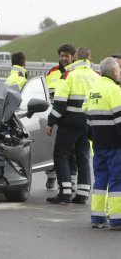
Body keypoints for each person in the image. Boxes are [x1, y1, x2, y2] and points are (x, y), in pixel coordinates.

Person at [46, 47, 100, 204]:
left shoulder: (68, 75)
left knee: (61, 154)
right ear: (90, 58)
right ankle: (82, 194)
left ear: (75, 57)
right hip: (89, 121)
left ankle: (64, 192)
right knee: (83, 156)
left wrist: (51, 122)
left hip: (69, 122)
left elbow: (60, 104)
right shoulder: (96, 76)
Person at [84, 57, 121, 229]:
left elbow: (89, 119)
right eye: (119, 70)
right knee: (117, 181)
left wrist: (93, 138)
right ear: (114, 71)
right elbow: (119, 120)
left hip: (98, 143)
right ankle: (117, 219)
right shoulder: (115, 90)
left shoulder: (93, 90)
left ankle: (97, 218)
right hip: (115, 144)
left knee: (100, 180)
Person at [44, 43, 78, 190]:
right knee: (51, 149)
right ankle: (51, 177)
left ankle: (70, 181)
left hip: (69, 118)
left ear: (73, 57)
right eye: (62, 56)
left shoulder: (76, 73)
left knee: (72, 152)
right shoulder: (52, 72)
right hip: (52, 114)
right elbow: (45, 94)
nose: (64, 58)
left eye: (67, 56)